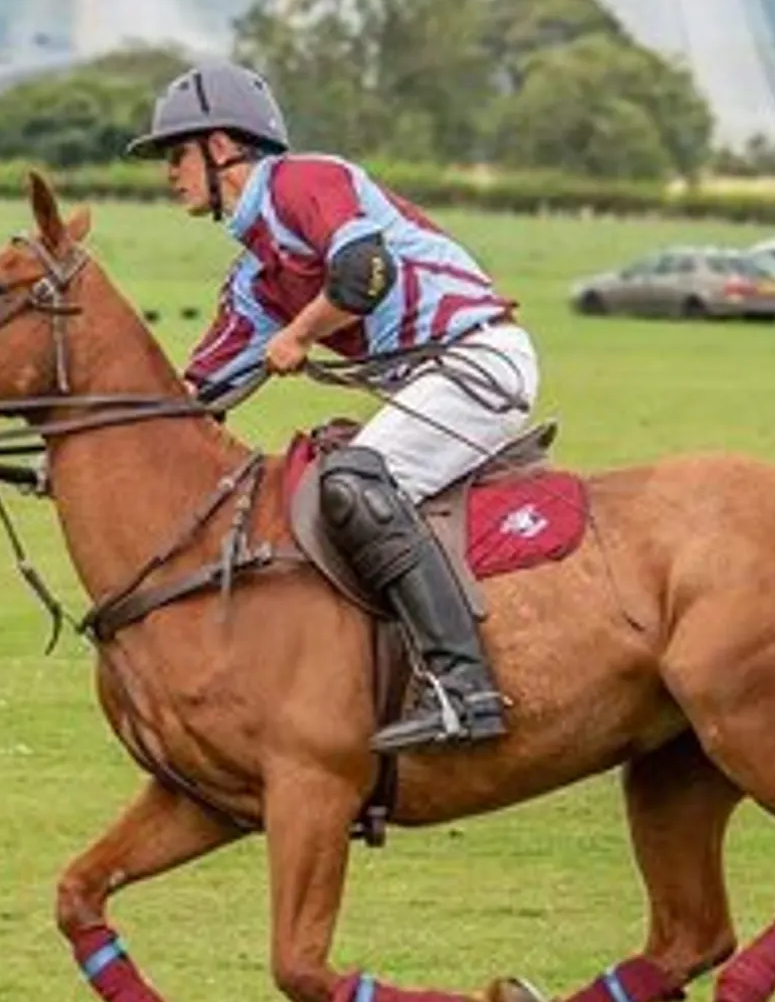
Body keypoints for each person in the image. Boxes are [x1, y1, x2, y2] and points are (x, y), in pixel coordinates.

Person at [126, 61, 541, 754]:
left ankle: (464, 689)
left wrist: (295, 335)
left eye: (176, 154)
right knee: (326, 482)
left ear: (221, 145)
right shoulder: (257, 278)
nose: (170, 173)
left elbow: (363, 272)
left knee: (352, 481)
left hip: (477, 360)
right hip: (429, 385)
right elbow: (194, 399)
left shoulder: (306, 181)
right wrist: (83, 452)